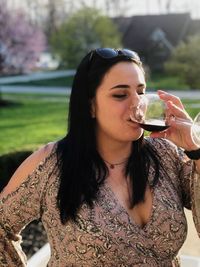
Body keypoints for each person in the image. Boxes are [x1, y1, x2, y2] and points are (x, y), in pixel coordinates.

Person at [0, 48, 200, 267]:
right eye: (120, 95)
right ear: (90, 106)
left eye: (141, 92)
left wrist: (196, 149)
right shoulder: (52, 164)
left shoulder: (166, 154)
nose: (138, 105)